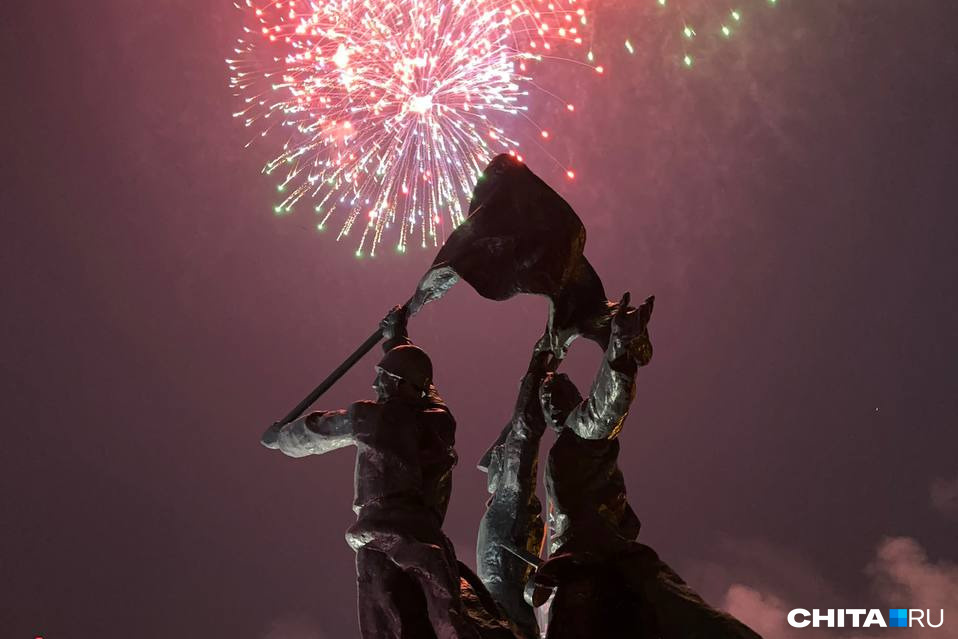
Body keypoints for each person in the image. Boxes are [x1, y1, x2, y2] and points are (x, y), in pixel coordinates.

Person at [531, 293, 762, 639]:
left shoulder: (580, 433)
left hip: (602, 557)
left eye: (555, 396)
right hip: (576, 562)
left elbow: (605, 409)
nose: (549, 407)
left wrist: (620, 349)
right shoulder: (566, 444)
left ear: (574, 399)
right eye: (546, 401)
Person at [261, 306, 478, 639]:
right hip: (423, 533)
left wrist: (280, 438)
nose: (375, 382)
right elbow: (427, 389)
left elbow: (316, 431)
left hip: (378, 533)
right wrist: (397, 341)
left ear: (400, 383)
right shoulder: (439, 423)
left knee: (381, 621)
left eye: (384, 377)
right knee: (444, 611)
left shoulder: (370, 417)